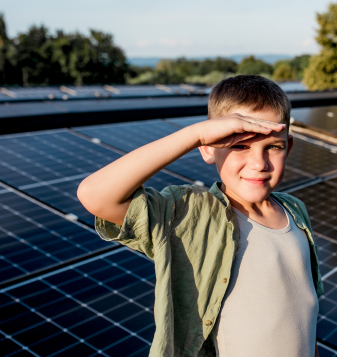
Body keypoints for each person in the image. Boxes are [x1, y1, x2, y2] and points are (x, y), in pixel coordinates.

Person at [77, 75, 323, 357]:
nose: (259, 163)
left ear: (288, 147)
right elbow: (94, 194)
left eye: (273, 147)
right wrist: (196, 134)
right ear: (207, 147)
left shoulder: (296, 212)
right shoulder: (190, 215)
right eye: (239, 144)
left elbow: (306, 314)